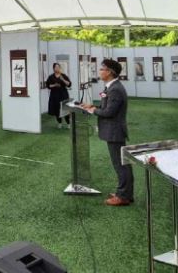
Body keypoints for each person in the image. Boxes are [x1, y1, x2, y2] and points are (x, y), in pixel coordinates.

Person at [80, 59, 133, 207]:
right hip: (114, 131)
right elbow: (107, 106)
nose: (99, 71)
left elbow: (109, 112)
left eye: (102, 69)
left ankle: (123, 196)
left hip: (115, 132)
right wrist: (93, 106)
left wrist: (93, 110)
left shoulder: (115, 89)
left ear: (110, 72)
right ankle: (125, 193)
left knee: (120, 165)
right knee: (122, 164)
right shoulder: (112, 87)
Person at [47, 63, 72, 128]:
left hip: (63, 95)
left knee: (65, 109)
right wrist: (54, 85)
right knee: (57, 110)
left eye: (58, 67)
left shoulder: (63, 75)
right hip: (54, 96)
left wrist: (63, 79)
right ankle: (59, 123)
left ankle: (68, 123)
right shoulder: (51, 77)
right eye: (56, 67)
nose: (57, 68)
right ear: (53, 68)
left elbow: (69, 84)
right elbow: (48, 85)